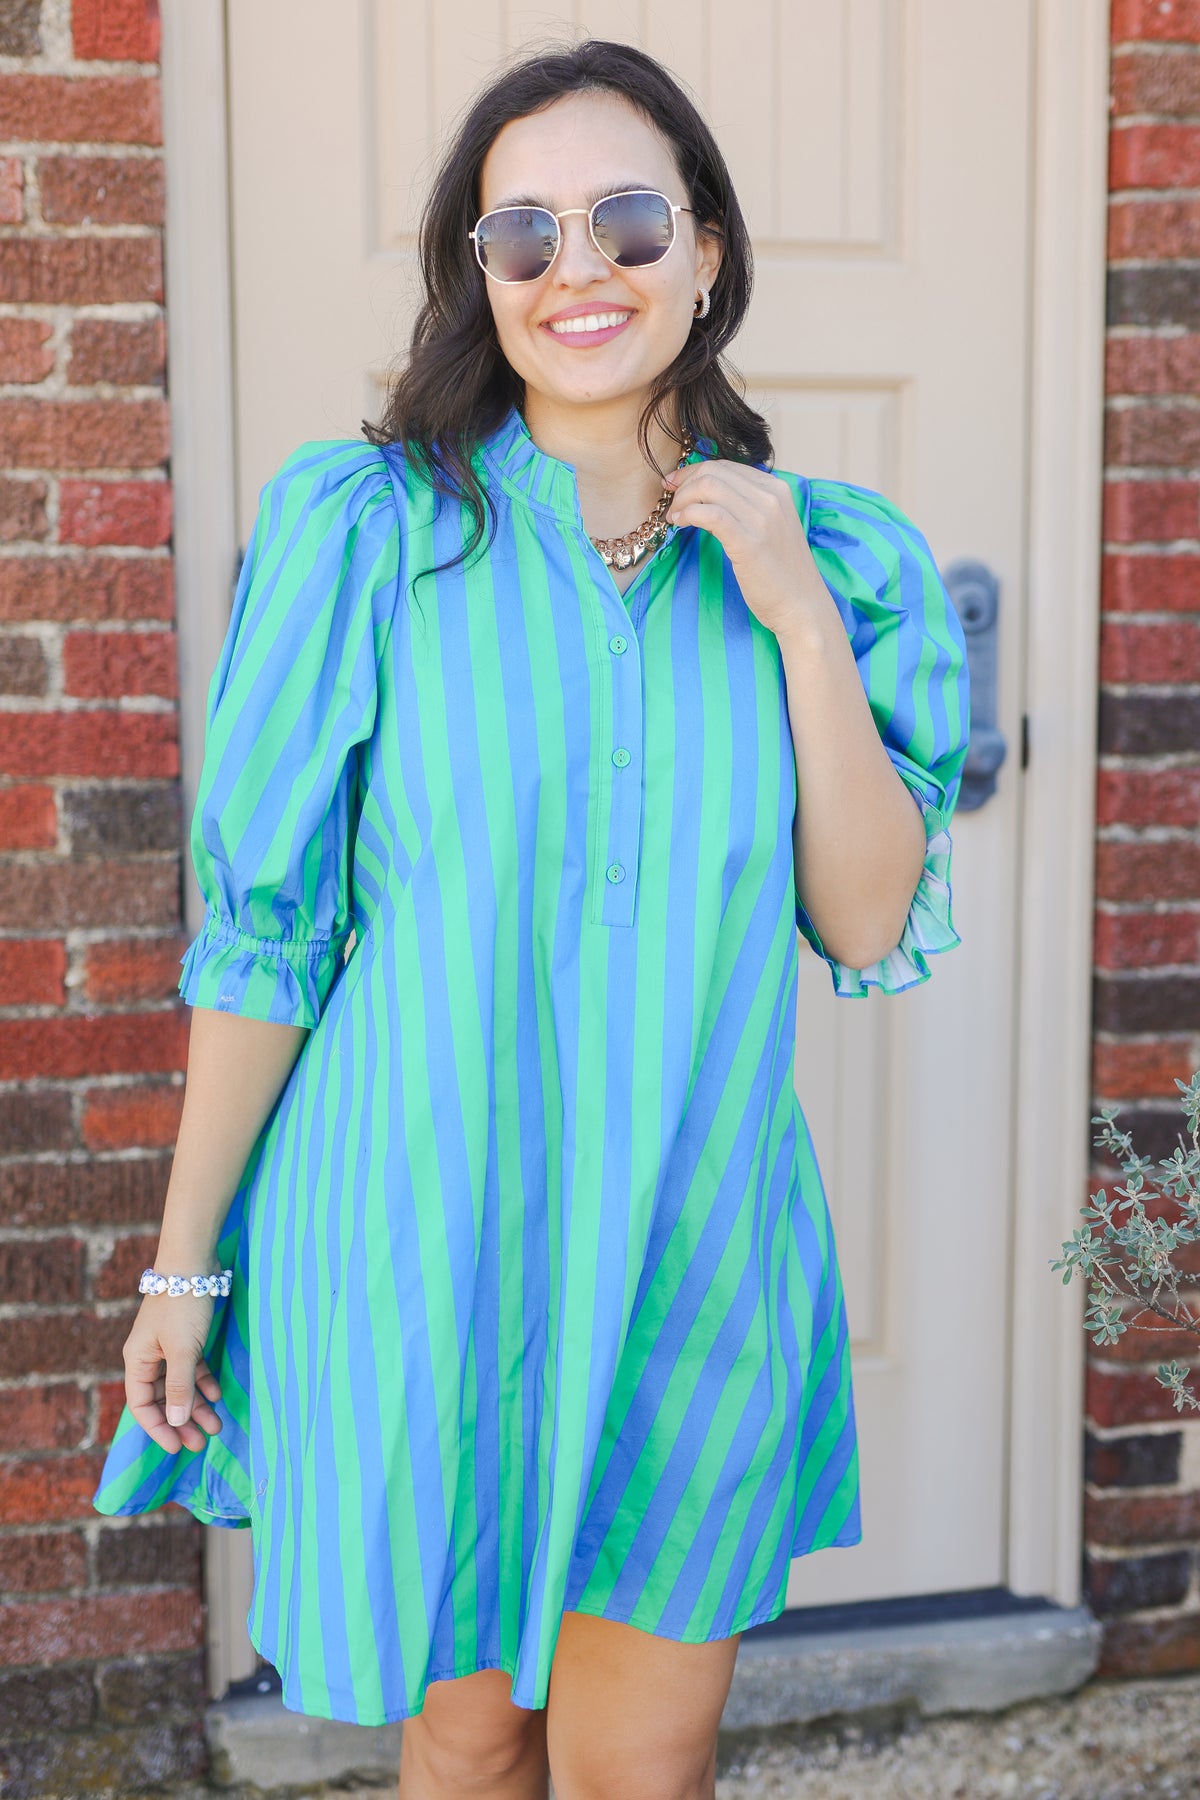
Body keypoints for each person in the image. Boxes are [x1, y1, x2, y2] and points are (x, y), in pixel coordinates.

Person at [92, 36, 970, 1800]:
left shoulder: (840, 559)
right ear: (476, 274)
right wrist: (186, 1262)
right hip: (425, 1245)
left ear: (708, 250)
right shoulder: (366, 536)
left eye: (631, 219)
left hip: (692, 1243)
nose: (582, 267)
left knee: (651, 1766)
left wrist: (794, 614)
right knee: (470, 1736)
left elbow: (870, 920)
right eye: (526, 235)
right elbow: (268, 939)